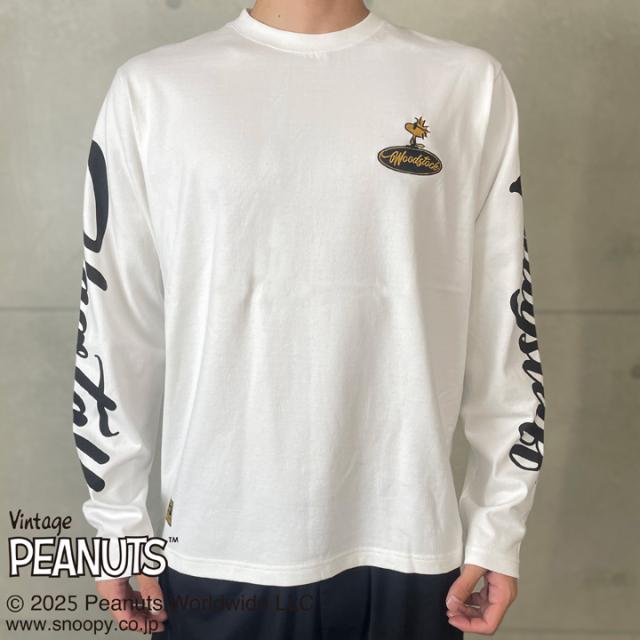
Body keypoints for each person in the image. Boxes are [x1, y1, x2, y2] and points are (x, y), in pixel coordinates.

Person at [71, 1, 546, 637]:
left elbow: (503, 321)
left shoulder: (465, 84)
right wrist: (116, 529)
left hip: (406, 540)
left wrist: (497, 524)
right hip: (218, 543)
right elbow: (116, 324)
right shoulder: (154, 90)